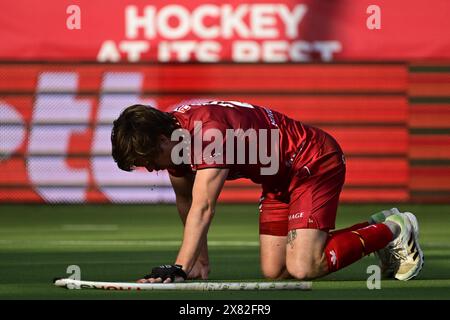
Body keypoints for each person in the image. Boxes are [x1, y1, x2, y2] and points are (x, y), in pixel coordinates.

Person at [110, 100, 424, 283]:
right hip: (278, 180)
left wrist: (178, 267)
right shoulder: (173, 133)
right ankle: (378, 225)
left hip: (312, 161)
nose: (151, 169)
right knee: (276, 270)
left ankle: (394, 230)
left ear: (162, 141)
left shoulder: (208, 135)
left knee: (304, 266)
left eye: (148, 161)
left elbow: (204, 206)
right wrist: (197, 263)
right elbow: (186, 199)